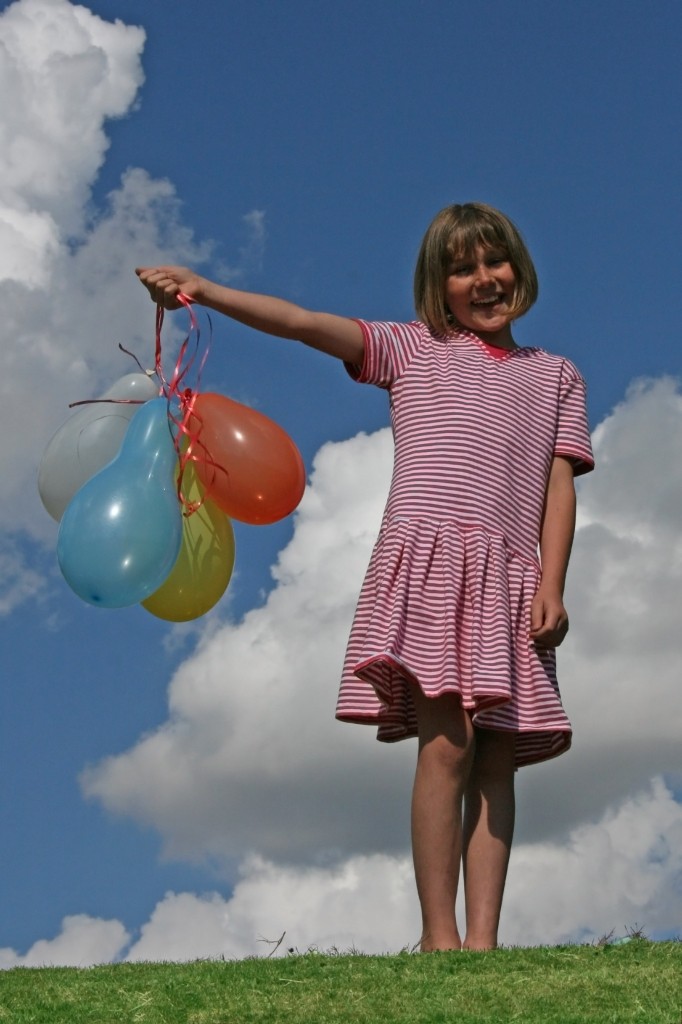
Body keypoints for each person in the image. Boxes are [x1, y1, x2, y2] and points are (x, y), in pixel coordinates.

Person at [136, 201, 594, 953]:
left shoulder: (556, 376)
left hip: (511, 575)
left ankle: (484, 942)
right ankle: (438, 935)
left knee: (499, 754)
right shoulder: (409, 350)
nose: (484, 279)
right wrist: (205, 288)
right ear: (436, 286)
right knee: (447, 741)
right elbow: (300, 320)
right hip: (433, 563)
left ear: (519, 265)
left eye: (494, 261)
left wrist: (552, 583)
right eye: (462, 268)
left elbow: (559, 485)